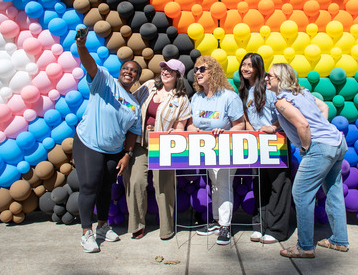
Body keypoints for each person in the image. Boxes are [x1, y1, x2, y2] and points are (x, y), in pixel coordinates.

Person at [266, 63, 349, 258]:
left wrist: (305, 148)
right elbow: (323, 107)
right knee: (334, 193)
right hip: (337, 142)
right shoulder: (302, 93)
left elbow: (302, 124)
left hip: (319, 148)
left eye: (270, 76)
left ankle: (304, 246)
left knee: (301, 193)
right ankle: (340, 240)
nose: (266, 79)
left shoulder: (281, 100)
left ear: (280, 78)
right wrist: (275, 127)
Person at [73, 29, 142, 253]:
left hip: (114, 151)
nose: (129, 72)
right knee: (90, 186)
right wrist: (82, 47)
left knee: (106, 189)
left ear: (137, 78)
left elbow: (133, 131)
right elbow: (89, 65)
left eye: (134, 71)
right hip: (89, 143)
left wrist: (127, 154)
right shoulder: (104, 79)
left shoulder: (134, 104)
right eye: (126, 68)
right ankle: (86, 232)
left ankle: (102, 226)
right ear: (120, 72)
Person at [124, 59, 191, 240]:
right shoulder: (149, 86)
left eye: (171, 70)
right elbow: (130, 103)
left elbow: (181, 126)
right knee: (136, 182)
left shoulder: (181, 98)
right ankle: (137, 225)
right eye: (164, 68)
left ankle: (166, 228)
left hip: (163, 145)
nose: (165, 72)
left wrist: (175, 133)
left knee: (163, 187)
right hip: (141, 142)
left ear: (178, 75)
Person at [187, 56, 245, 245]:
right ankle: (216, 221)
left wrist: (225, 132)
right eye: (195, 70)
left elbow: (240, 125)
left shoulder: (229, 96)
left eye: (202, 69)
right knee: (214, 185)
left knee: (224, 184)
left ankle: (225, 227)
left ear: (213, 71)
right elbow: (190, 125)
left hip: (226, 149)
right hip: (205, 151)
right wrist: (191, 130)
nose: (197, 73)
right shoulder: (196, 98)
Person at [238, 53, 291, 244]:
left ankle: (277, 230)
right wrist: (252, 131)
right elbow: (245, 116)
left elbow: (285, 114)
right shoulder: (243, 90)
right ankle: (259, 225)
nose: (246, 68)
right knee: (259, 184)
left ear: (258, 68)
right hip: (256, 143)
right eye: (243, 64)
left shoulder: (269, 90)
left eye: (250, 65)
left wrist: (273, 128)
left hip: (277, 143)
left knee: (278, 186)